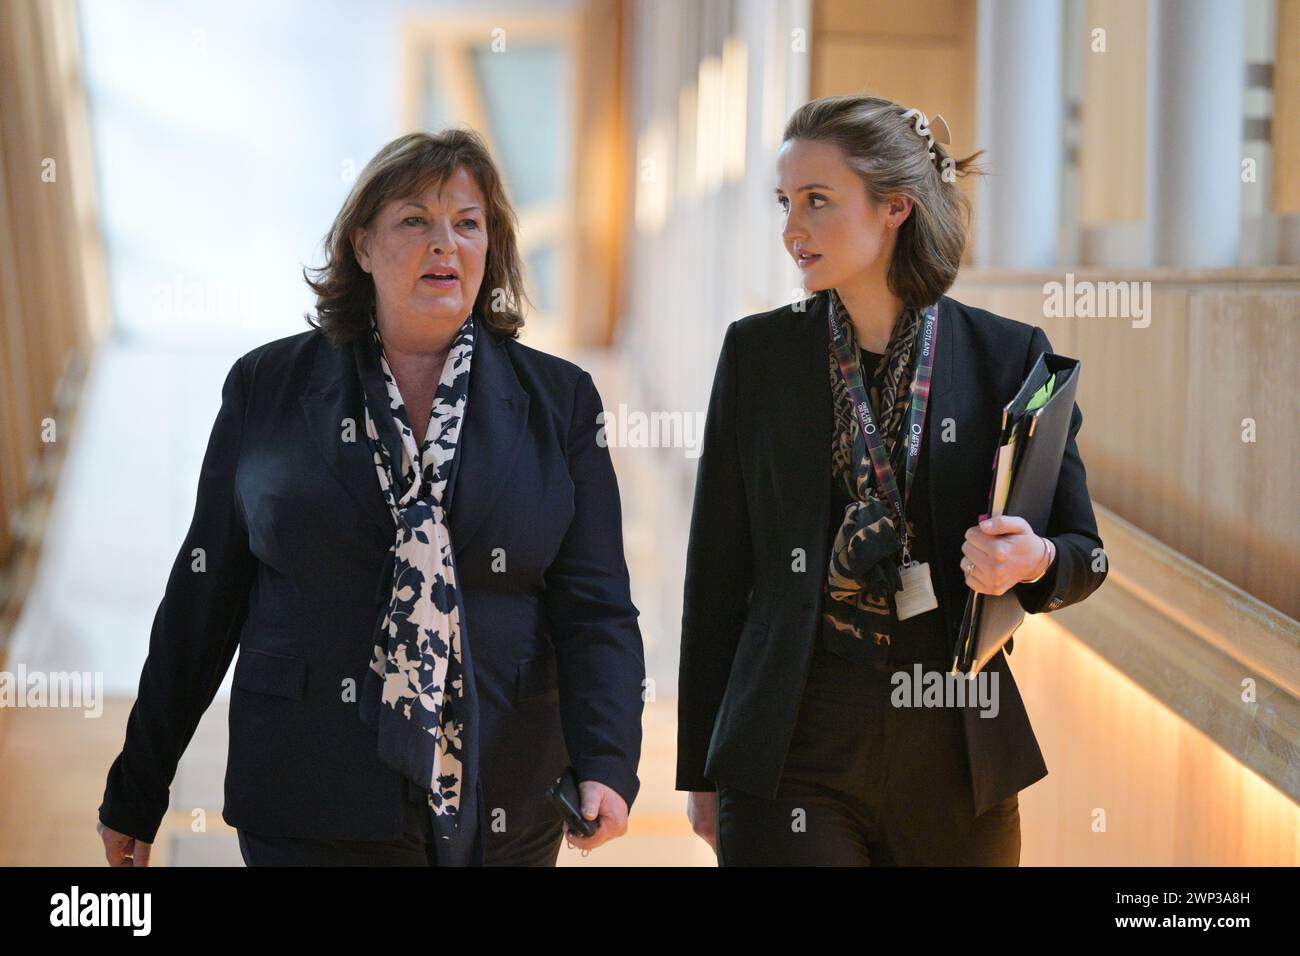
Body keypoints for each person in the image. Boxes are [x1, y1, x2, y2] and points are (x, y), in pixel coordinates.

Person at [97, 128, 644, 866]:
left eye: (467, 223)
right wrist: (139, 783)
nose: (444, 243)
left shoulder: (561, 401)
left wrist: (608, 758)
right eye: (414, 220)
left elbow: (596, 602)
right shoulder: (267, 388)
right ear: (361, 245)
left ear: (493, 245)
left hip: (501, 793)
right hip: (307, 788)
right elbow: (204, 596)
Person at [676, 94, 1108, 865]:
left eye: (816, 201)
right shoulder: (758, 355)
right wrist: (701, 766)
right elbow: (716, 573)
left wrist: (1032, 558)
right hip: (790, 743)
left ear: (894, 209)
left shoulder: (1010, 358)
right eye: (785, 203)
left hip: (955, 742)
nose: (791, 229)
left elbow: (1084, 554)